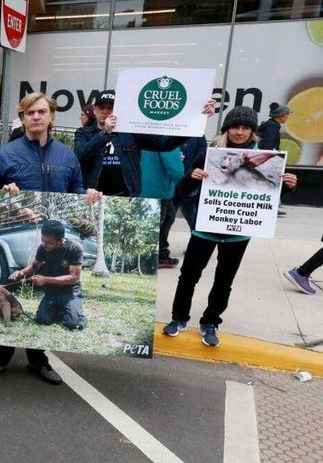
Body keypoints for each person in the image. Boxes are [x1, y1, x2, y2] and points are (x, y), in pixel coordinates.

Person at [0, 92, 102, 385]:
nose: (36, 117)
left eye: (41, 111)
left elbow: (77, 191)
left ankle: (38, 359)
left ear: (51, 116)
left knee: (47, 310)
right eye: (29, 112)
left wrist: (90, 196)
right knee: (8, 294)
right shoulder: (6, 155)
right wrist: (3, 193)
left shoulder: (67, 155)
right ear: (22, 118)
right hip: (21, 233)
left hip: (52, 244)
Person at [163, 106, 297, 347]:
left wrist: (286, 187)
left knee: (224, 280)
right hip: (205, 227)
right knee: (189, 276)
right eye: (235, 126)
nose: (240, 131)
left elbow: (268, 200)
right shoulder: (211, 153)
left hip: (237, 232)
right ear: (227, 129)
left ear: (252, 131)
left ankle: (211, 321)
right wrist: (190, 176)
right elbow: (183, 191)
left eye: (245, 127)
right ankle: (178, 318)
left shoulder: (266, 156)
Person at [74, 91, 213, 197]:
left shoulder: (130, 132)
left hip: (126, 197)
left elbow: (165, 144)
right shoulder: (83, 133)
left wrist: (198, 120)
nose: (105, 111)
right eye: (101, 108)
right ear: (94, 110)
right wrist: (104, 133)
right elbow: (80, 156)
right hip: (93, 195)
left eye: (110, 108)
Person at [11, 219, 87, 330]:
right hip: (52, 292)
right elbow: (34, 266)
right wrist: (21, 273)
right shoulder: (43, 248)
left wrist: (45, 280)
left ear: (60, 241)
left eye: (49, 242)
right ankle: (61, 309)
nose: (44, 244)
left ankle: (70, 309)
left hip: (69, 291)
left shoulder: (74, 249)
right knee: (42, 319)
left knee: (74, 324)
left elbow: (74, 278)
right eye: (43, 240)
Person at [140, 148, 184, 268]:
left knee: (169, 216)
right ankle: (154, 257)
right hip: (158, 188)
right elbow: (176, 170)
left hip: (146, 185)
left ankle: (161, 253)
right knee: (160, 222)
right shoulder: (167, 135)